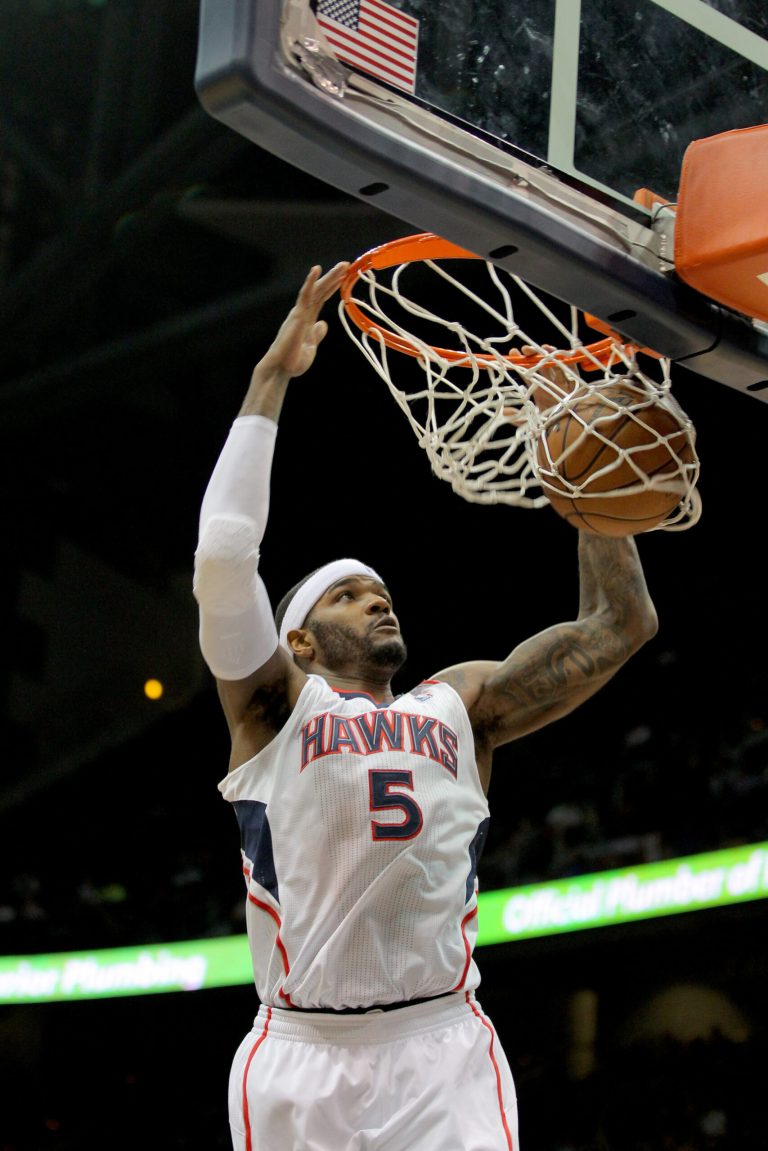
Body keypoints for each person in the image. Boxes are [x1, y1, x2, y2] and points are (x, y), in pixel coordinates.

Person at [193, 262, 659, 1151]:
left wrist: (595, 478)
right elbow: (222, 558)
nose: (379, 600)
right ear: (296, 640)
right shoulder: (272, 715)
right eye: (348, 595)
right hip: (304, 1054)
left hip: (442, 1045)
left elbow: (620, 623)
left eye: (382, 590)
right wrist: (271, 377)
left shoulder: (462, 704)